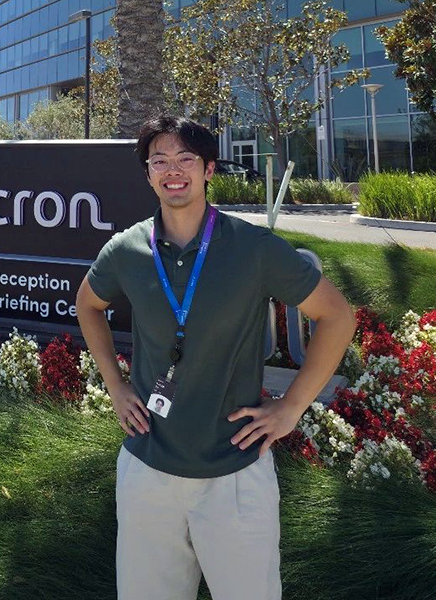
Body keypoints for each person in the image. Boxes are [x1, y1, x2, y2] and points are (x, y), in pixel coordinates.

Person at [75, 116, 356, 600]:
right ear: (147, 174)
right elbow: (88, 304)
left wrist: (290, 408)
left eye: (186, 159)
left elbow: (337, 317)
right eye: (159, 161)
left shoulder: (254, 248)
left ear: (208, 170)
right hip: (147, 470)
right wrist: (116, 387)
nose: (173, 170)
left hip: (236, 475)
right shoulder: (127, 249)